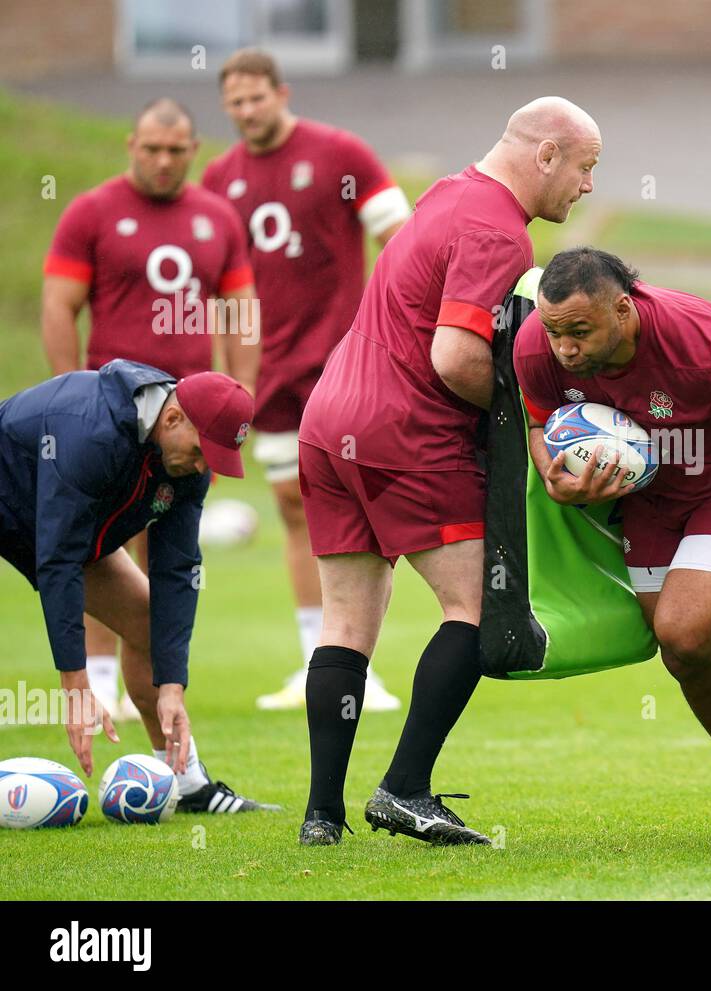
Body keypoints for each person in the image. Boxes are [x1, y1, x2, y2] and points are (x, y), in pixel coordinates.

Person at [295, 97, 601, 846]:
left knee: (345, 622)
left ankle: (322, 815)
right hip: (405, 428)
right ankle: (404, 789)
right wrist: (529, 419)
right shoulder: (497, 231)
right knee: (476, 608)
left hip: (330, 417)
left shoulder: (446, 194)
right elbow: (455, 356)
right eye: (587, 168)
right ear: (547, 156)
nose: (588, 186)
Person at [515, 248, 711, 836]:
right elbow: (538, 422)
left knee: (683, 631)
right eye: (555, 331)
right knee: (684, 654)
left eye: (580, 332)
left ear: (624, 308)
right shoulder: (539, 344)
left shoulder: (703, 346)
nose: (564, 349)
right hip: (653, 498)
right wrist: (552, 475)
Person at [203, 48, 412, 711]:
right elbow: (220, 288)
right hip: (272, 373)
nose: (246, 111)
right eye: (234, 102)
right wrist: (230, 368)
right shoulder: (218, 179)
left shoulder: (339, 154)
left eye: (256, 98)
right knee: (297, 513)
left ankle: (362, 669)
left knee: (364, 513)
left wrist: (396, 327)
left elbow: (401, 239)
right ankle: (315, 664)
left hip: (346, 364)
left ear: (280, 92)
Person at [42, 97, 260, 724]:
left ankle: (157, 690)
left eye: (176, 150)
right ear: (131, 146)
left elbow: (241, 312)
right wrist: (70, 397)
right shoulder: (91, 211)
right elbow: (60, 305)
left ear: (194, 151)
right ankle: (101, 682)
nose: (163, 160)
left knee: (166, 550)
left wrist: (238, 398)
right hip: (116, 421)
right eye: (151, 148)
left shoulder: (217, 217)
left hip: (189, 427)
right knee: (100, 545)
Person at [0, 361, 275, 813]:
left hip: (61, 530)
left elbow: (178, 569)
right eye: (202, 449)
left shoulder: (187, 465)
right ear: (171, 419)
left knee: (151, 626)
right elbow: (58, 559)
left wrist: (172, 685)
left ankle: (187, 785)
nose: (205, 466)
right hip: (23, 510)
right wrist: (76, 685)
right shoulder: (91, 433)